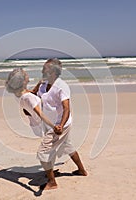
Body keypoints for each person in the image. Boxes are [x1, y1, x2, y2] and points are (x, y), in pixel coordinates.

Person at [35, 58, 88, 190]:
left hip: (60, 125)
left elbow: (66, 108)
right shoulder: (43, 84)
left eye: (45, 68)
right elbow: (33, 96)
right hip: (50, 123)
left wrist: (60, 125)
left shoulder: (61, 86)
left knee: (43, 151)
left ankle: (52, 182)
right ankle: (81, 170)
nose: (42, 70)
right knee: (67, 146)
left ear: (53, 71)